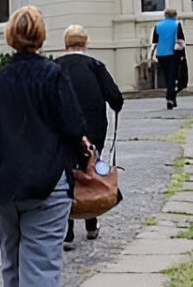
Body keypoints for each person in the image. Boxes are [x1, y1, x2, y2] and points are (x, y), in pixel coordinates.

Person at [0, 6, 90, 287]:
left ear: (10, 36)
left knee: (12, 264)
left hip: (0, 185)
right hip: (46, 183)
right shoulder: (53, 75)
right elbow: (73, 127)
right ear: (41, 36)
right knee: (41, 268)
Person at [56, 24, 124, 250]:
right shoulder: (96, 66)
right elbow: (116, 98)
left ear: (65, 45)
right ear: (85, 44)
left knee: (66, 174)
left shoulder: (55, 67)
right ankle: (91, 221)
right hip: (93, 128)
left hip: (63, 129)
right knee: (90, 169)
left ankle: (67, 232)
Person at [151, 8, 186, 109]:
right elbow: (181, 40)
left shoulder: (158, 25)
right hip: (173, 53)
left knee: (167, 76)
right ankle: (170, 98)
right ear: (175, 15)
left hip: (161, 54)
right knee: (173, 76)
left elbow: (155, 41)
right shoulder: (177, 24)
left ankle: (172, 97)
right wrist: (182, 55)